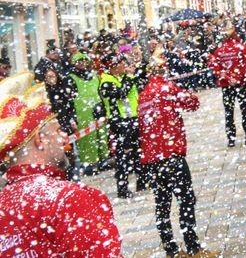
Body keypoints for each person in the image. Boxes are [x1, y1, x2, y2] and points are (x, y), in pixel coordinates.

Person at [0, 73, 123, 256]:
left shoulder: (4, 204)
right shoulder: (68, 198)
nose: (65, 138)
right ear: (40, 140)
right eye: (58, 130)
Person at [139, 61, 216, 258]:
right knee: (186, 201)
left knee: (162, 205)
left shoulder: (144, 95)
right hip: (171, 155)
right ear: (163, 71)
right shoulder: (167, 88)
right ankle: (193, 247)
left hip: (153, 159)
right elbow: (192, 103)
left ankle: (171, 250)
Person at [99, 53, 144, 197]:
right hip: (119, 122)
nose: (124, 66)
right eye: (121, 63)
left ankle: (142, 181)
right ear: (112, 66)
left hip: (132, 119)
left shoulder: (122, 78)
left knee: (138, 152)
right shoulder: (106, 81)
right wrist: (130, 77)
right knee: (122, 156)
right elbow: (121, 94)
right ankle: (123, 188)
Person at [207, 26, 246, 147]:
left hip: (226, 85)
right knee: (245, 110)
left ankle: (231, 138)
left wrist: (227, 78)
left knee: (229, 111)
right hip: (241, 83)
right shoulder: (241, 47)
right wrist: (237, 77)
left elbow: (215, 68)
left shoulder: (219, 51)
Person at [68, 51, 108, 172]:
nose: (82, 63)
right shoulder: (71, 78)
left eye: (84, 60)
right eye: (79, 61)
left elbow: (101, 92)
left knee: (101, 134)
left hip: (98, 108)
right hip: (82, 112)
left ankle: (103, 160)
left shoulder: (95, 76)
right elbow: (69, 99)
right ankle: (89, 164)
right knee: (86, 138)